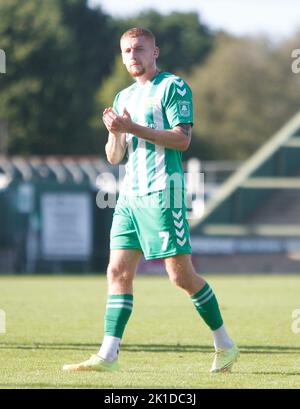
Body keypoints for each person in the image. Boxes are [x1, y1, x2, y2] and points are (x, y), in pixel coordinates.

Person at [62, 27, 239, 374]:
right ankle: (108, 355)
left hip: (164, 192)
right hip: (130, 196)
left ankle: (225, 344)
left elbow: (182, 139)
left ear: (154, 52)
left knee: (180, 277)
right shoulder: (122, 97)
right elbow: (114, 157)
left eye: (140, 49)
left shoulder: (173, 87)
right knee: (118, 271)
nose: (133, 56)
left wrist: (132, 129)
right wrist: (115, 134)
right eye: (127, 51)